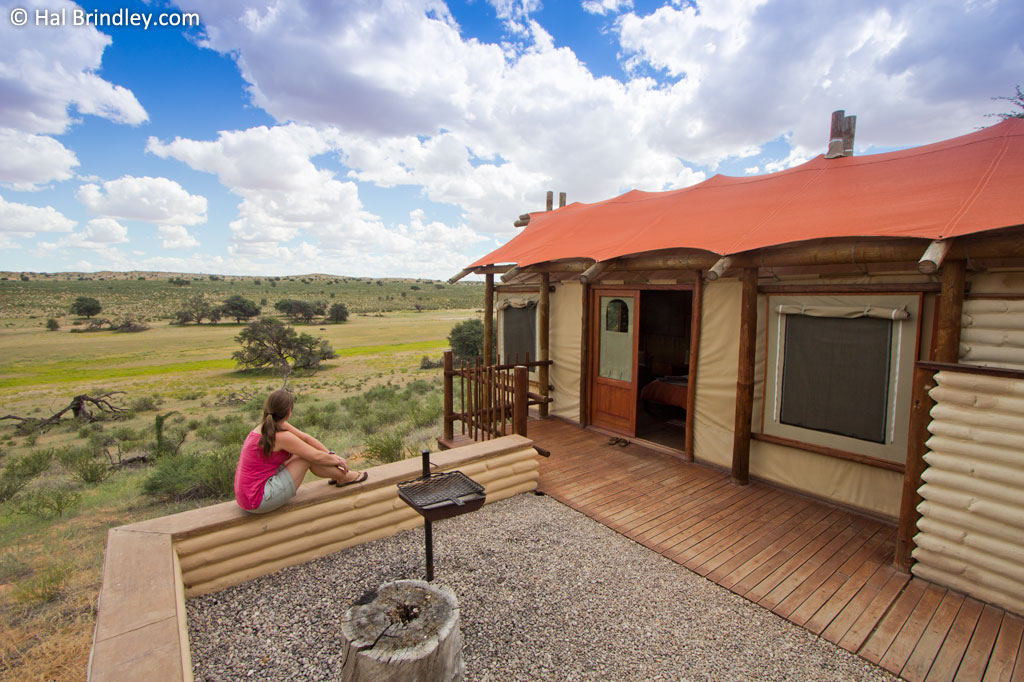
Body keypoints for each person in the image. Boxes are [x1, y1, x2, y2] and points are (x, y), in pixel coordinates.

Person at [235, 388, 367, 513]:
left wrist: (331, 454)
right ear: (289, 412)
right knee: (305, 458)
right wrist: (337, 460)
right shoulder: (280, 436)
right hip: (257, 500)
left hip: (247, 496)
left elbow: (306, 438)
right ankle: (345, 477)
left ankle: (336, 475)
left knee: (301, 455)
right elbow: (315, 456)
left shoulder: (265, 427)